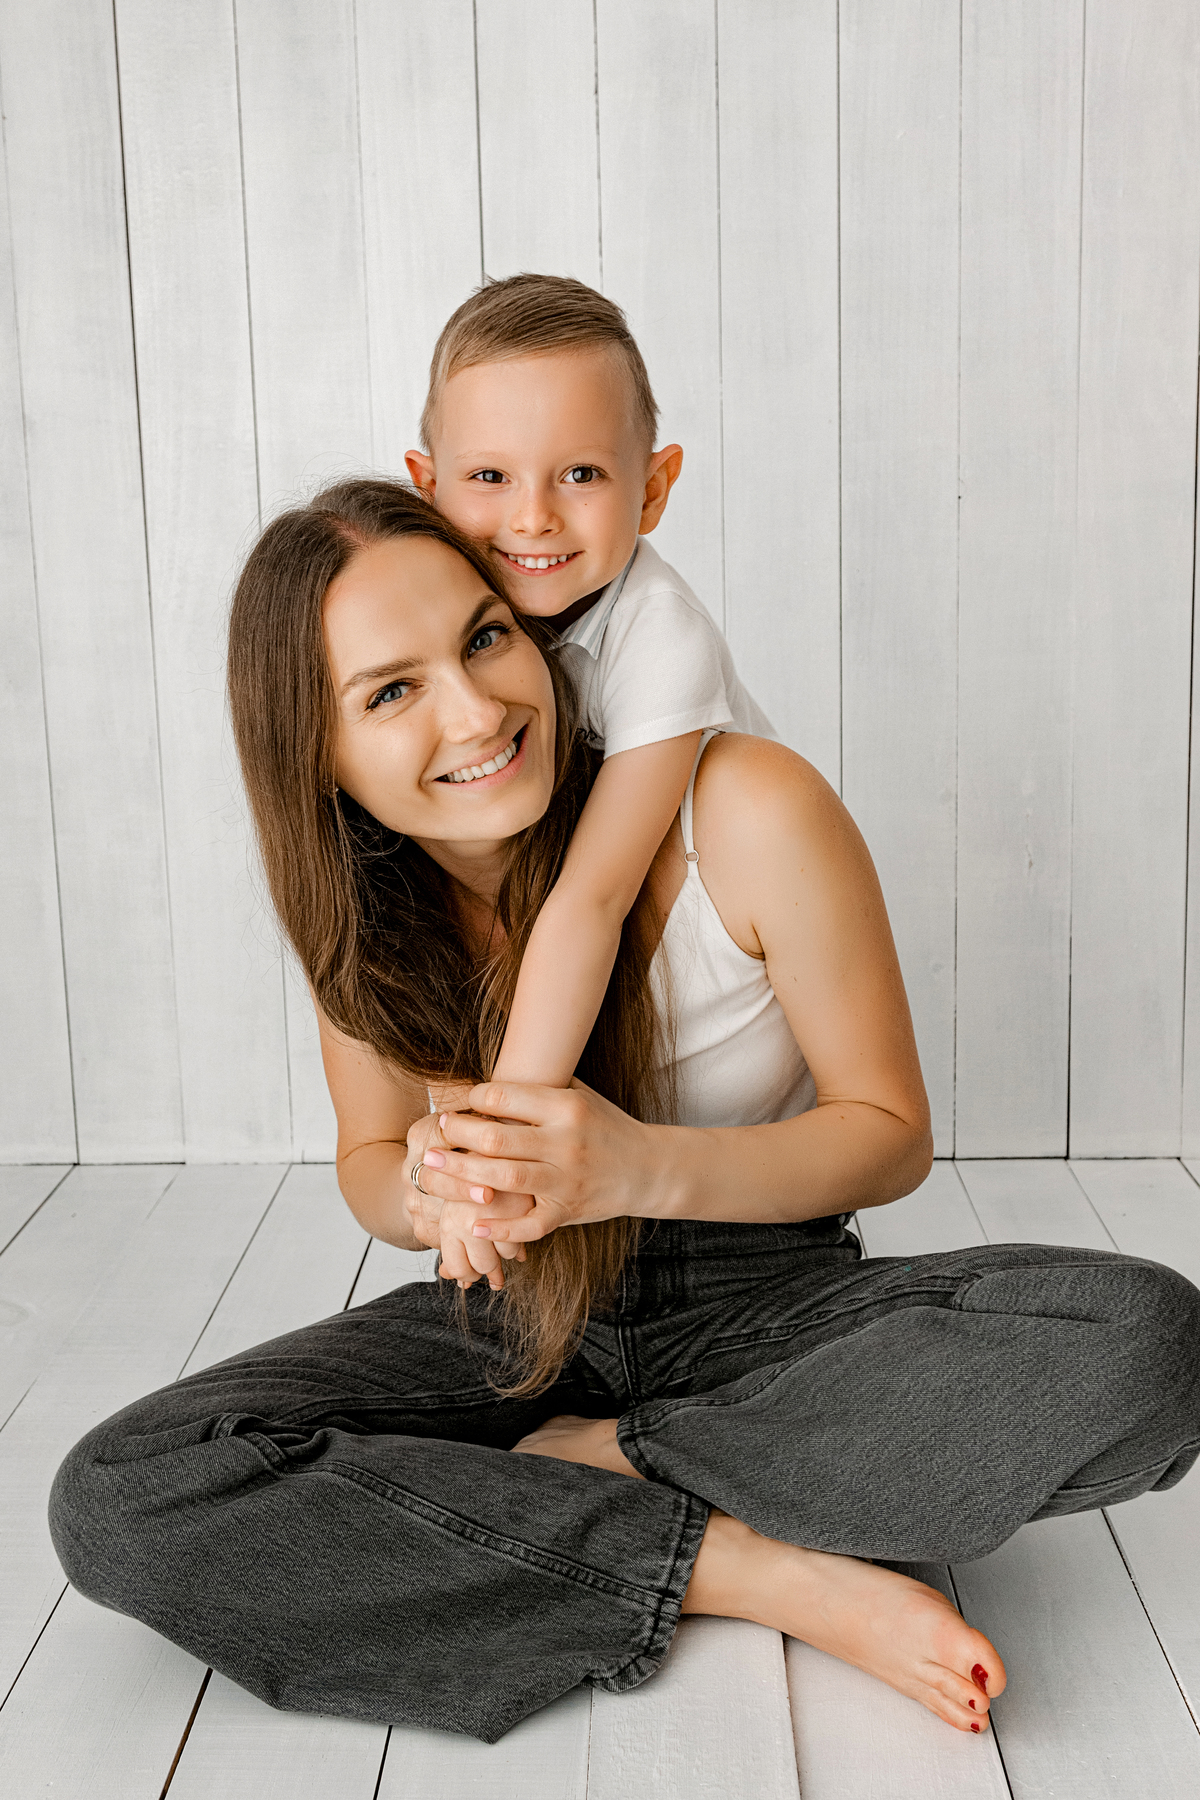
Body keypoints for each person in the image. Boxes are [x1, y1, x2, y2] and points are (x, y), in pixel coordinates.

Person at [48, 482, 1200, 1748]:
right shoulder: (367, 920)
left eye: (487, 637)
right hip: (516, 1327)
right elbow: (370, 1162)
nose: (479, 710)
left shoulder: (743, 808)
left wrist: (637, 1166)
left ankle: (608, 1464)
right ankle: (747, 1567)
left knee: (1154, 1343)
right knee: (123, 1493)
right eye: (391, 692)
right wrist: (420, 1186)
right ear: (313, 753)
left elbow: (890, 1137)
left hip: (770, 1304)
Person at [404, 276, 774, 1292]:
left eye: (579, 472)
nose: (531, 517)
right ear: (424, 482)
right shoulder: (451, 618)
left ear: (653, 488)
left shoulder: (661, 634)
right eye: (488, 474)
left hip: (708, 1007)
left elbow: (596, 892)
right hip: (585, 1016)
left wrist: (493, 1162)